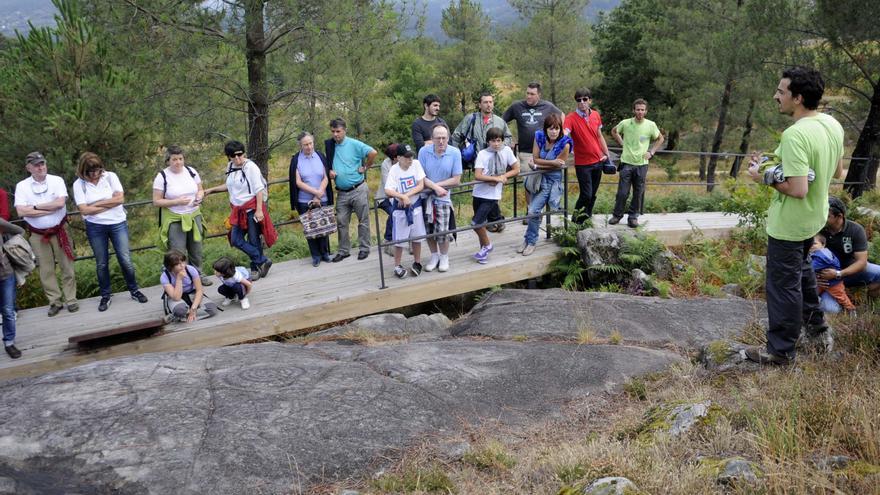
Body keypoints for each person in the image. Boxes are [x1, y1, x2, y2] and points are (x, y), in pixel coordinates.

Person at [745, 66, 844, 365]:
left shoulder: (795, 134)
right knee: (802, 275)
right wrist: (769, 164)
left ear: (798, 98)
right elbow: (837, 172)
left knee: (782, 287)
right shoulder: (831, 124)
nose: (776, 96)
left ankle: (780, 351)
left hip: (789, 225)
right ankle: (816, 328)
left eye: (781, 91)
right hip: (814, 217)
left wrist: (760, 176)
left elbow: (798, 189)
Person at [73, 152, 149, 312]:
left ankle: (134, 290)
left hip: (117, 223)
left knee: (125, 259)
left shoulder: (110, 177)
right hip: (95, 227)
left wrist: (96, 204)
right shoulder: (79, 184)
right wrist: (109, 202)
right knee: (101, 263)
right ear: (83, 171)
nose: (94, 175)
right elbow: (84, 210)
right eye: (90, 173)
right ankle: (106, 295)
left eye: (97, 171)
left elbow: (120, 199)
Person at [13, 151, 78, 316]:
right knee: (46, 270)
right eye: (36, 165)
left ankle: (71, 300)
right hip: (37, 234)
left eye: (42, 163)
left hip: (60, 229)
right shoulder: (22, 186)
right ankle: (55, 301)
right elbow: (21, 212)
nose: (41, 167)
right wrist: (46, 208)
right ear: (29, 168)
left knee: (67, 267)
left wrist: (33, 208)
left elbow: (60, 203)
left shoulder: (57, 180)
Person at [204, 141, 276, 280]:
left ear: (244, 153)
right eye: (233, 156)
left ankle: (256, 269)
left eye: (240, 155)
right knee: (236, 239)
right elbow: (230, 185)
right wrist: (211, 190)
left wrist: (259, 210)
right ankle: (263, 260)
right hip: (237, 210)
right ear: (228, 157)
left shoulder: (250, 167)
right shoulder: (230, 166)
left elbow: (259, 189)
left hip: (252, 208)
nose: (237, 159)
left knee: (254, 239)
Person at [152, 145, 211, 286]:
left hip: (193, 214)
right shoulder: (162, 176)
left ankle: (198, 274)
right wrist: (176, 201)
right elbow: (156, 201)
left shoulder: (191, 171)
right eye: (174, 159)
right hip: (175, 218)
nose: (178, 162)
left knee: (196, 248)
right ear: (168, 161)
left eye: (180, 159)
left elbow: (200, 190)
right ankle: (181, 278)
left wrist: (200, 197)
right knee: (177, 251)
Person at [324, 118, 378, 262]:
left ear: (344, 130)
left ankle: (364, 248)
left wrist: (366, 167)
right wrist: (330, 171)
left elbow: (373, 152)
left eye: (338, 131)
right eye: (333, 131)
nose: (335, 134)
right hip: (341, 191)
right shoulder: (330, 145)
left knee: (363, 220)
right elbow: (328, 163)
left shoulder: (354, 144)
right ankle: (343, 250)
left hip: (358, 188)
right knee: (341, 221)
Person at [502, 82, 563, 207]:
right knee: (529, 183)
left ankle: (541, 211)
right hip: (525, 152)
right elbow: (501, 121)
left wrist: (558, 136)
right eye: (527, 93)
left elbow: (562, 116)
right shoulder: (517, 106)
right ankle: (531, 212)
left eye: (532, 94)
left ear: (538, 95)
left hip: (544, 152)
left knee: (544, 182)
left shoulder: (547, 106)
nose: (529, 96)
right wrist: (508, 140)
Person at [816, 196, 880, 312]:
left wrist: (838, 273)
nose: (822, 217)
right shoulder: (817, 228)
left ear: (839, 216)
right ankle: (837, 299)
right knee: (830, 309)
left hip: (850, 272)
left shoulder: (855, 229)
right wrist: (814, 278)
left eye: (827, 215)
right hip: (826, 278)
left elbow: (862, 262)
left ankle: (870, 306)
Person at [521, 113, 572, 256]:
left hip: (551, 182)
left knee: (533, 211)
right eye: (550, 128)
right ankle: (527, 239)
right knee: (534, 211)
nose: (553, 131)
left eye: (556, 128)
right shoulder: (539, 137)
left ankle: (531, 241)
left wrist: (539, 165)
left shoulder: (565, 144)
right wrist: (548, 163)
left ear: (560, 129)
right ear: (545, 129)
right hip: (537, 179)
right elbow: (535, 159)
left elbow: (557, 166)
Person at [610, 99, 664, 228]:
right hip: (626, 163)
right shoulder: (626, 123)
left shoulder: (651, 125)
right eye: (638, 109)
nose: (640, 112)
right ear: (633, 110)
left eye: (642, 109)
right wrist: (622, 143)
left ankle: (633, 217)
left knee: (638, 192)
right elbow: (614, 131)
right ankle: (617, 215)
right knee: (622, 192)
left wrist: (651, 152)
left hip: (642, 164)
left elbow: (660, 138)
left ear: (646, 111)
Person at [418, 123, 462, 273]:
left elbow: (456, 179)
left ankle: (444, 256)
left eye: (444, 138)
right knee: (429, 230)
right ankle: (434, 255)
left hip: (443, 197)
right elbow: (421, 177)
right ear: (432, 138)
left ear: (448, 138)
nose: (441, 141)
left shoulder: (455, 153)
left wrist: (437, 187)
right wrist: (435, 188)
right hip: (425, 196)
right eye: (438, 138)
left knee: (442, 231)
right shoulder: (423, 152)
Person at [564, 88, 612, 225]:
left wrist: (607, 155)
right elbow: (564, 134)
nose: (582, 102)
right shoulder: (570, 118)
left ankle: (586, 218)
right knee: (586, 194)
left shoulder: (596, 115)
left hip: (598, 161)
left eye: (585, 99)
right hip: (582, 164)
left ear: (590, 100)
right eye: (579, 100)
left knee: (593, 194)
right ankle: (576, 221)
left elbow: (599, 135)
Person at [472, 128, 519, 264]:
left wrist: (503, 176)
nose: (496, 144)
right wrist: (495, 179)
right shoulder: (482, 154)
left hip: (492, 195)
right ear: (488, 141)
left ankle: (488, 246)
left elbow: (516, 169)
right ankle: (483, 253)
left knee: (476, 223)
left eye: (499, 141)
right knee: (480, 224)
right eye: (493, 141)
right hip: (479, 192)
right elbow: (478, 175)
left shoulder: (506, 151)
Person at [289, 131, 333, 267]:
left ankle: (325, 253)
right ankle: (315, 256)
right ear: (300, 146)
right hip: (304, 201)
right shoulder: (296, 159)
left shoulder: (320, 156)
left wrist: (319, 194)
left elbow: (326, 176)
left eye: (310, 143)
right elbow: (298, 182)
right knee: (310, 229)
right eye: (305, 144)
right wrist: (316, 193)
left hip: (322, 198)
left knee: (323, 226)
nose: (308, 146)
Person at [383, 144, 426, 278]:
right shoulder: (394, 170)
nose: (410, 159)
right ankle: (397, 265)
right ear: (399, 158)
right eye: (407, 157)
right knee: (400, 239)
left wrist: (406, 195)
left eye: (411, 156)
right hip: (400, 210)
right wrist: (401, 196)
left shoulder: (416, 164)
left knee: (417, 237)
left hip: (415, 206)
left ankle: (417, 262)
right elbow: (388, 190)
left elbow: (421, 184)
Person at [160, 249, 218, 323]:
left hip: (192, 293)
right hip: (176, 296)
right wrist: (179, 279)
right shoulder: (165, 276)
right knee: (180, 311)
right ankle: (181, 314)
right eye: (177, 264)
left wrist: (193, 309)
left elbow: (199, 290)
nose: (182, 266)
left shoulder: (191, 269)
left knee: (212, 309)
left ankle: (180, 317)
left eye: (183, 262)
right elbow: (176, 297)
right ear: (170, 267)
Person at [451, 92, 512, 158]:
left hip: (494, 160)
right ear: (480, 105)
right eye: (485, 102)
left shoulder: (500, 121)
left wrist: (500, 146)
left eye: (490, 102)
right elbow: (455, 137)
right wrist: (456, 155)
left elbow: (508, 137)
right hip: (474, 162)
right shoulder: (470, 119)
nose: (489, 105)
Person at [809, 233, 855, 312]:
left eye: (815, 243)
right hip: (820, 282)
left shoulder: (823, 255)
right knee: (810, 294)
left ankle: (851, 309)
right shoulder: (815, 253)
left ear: (823, 245)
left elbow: (811, 267)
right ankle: (811, 310)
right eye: (810, 244)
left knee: (841, 297)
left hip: (833, 283)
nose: (812, 245)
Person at [1, 217, 25, 359]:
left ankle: (9, 342)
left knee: (8, 310)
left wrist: (7, 244)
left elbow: (19, 231)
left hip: (5, 273)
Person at [375, 144, 401, 256]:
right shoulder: (385, 164)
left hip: (402, 195)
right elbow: (388, 185)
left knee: (408, 212)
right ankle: (388, 241)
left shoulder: (406, 161)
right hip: (384, 197)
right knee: (394, 213)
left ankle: (410, 241)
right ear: (394, 157)